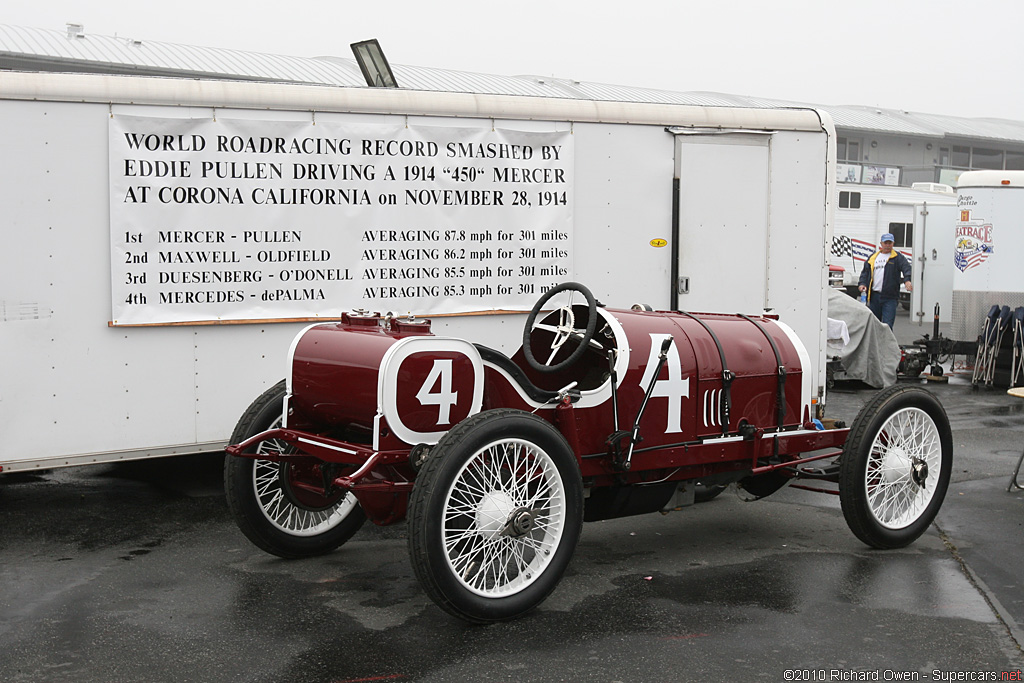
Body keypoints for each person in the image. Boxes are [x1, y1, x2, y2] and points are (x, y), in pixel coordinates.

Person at [858, 232, 912, 330]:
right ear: (881, 244)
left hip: (890, 297)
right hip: (875, 296)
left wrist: (907, 280)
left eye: (889, 243)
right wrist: (862, 283)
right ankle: (875, 345)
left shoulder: (897, 257)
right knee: (874, 325)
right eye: (885, 243)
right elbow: (865, 273)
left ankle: (886, 345)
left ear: (893, 244)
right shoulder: (873, 258)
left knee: (887, 325)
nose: (887, 245)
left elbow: (906, 268)